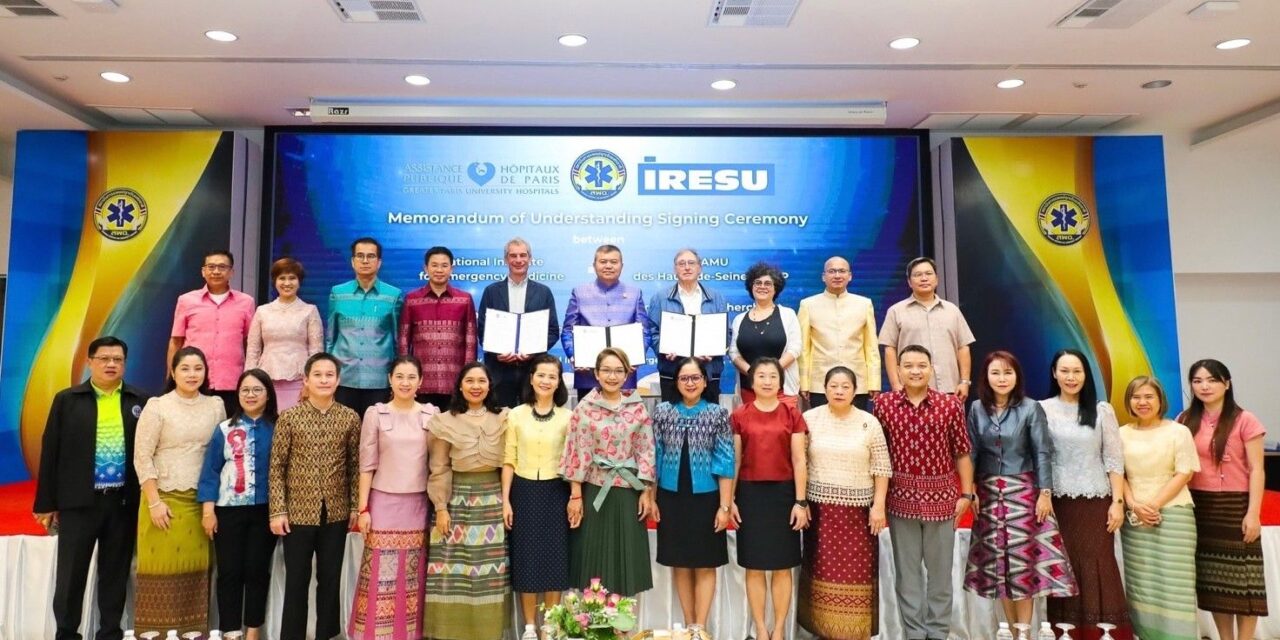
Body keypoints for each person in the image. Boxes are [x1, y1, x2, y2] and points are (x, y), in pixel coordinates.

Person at [33, 336, 151, 640]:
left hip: (122, 503)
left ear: (125, 363)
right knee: (71, 574)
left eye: (118, 359)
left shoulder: (140, 400)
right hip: (78, 502)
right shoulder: (68, 399)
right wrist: (46, 503)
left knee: (115, 573)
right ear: (90, 362)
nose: (111, 364)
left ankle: (110, 632)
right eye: (104, 359)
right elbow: (50, 452)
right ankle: (66, 632)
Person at [964, 350, 1076, 628]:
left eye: (1008, 372)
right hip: (989, 494)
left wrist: (1044, 493)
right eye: (996, 373)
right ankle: (1009, 631)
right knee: (998, 565)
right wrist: (971, 490)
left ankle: (1024, 631)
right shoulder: (977, 408)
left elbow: (1042, 452)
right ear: (986, 377)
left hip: (1024, 494)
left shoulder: (1030, 408)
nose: (1002, 379)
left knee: (1022, 564)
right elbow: (971, 452)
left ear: (1017, 376)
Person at [872, 344, 973, 640]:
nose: (915, 371)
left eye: (921, 365)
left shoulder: (949, 405)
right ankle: (915, 633)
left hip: (942, 503)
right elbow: (879, 455)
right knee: (908, 576)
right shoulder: (884, 405)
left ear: (931, 369)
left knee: (940, 576)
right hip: (900, 502)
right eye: (909, 366)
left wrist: (966, 495)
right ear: (899, 370)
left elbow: (962, 453)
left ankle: (938, 633)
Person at [133, 346, 227, 634]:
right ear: (173, 372)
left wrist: (210, 504)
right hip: (163, 500)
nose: (192, 374)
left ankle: (192, 632)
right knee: (160, 575)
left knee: (196, 574)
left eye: (198, 368)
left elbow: (219, 455)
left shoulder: (216, 405)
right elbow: (142, 456)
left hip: (201, 502)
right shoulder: (157, 406)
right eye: (185, 368)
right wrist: (153, 502)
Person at [268, 352, 362, 640]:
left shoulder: (349, 418)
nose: (324, 380)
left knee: (330, 579)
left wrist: (356, 507)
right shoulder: (289, 418)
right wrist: (277, 511)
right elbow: (277, 467)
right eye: (317, 375)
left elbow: (355, 467)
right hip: (297, 513)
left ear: (338, 380)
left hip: (335, 512)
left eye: (329, 375)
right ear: (306, 381)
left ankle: (327, 634)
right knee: (297, 579)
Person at [1040, 349, 1131, 640]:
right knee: (1063, 565)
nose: (1071, 377)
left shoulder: (1102, 410)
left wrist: (1117, 503)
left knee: (1098, 563)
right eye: (1064, 371)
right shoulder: (1041, 409)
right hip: (1058, 504)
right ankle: (1065, 633)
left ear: (1085, 374)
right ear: (1054, 373)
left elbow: (1114, 460)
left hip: (1096, 502)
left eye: (1076, 371)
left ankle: (1101, 633)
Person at [349, 355, 439, 640]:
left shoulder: (431, 414)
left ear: (421, 381)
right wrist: (363, 508)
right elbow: (366, 465)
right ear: (389, 379)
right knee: (380, 573)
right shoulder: (376, 413)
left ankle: (410, 634)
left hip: (417, 504)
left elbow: (437, 465)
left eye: (411, 377)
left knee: (412, 574)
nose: (405, 382)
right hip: (383, 502)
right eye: (399, 376)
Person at [798, 366, 891, 640]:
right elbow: (799, 462)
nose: (839, 391)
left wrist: (879, 506)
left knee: (856, 576)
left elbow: (882, 468)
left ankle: (854, 634)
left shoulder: (869, 422)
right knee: (820, 572)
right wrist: (800, 501)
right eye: (833, 385)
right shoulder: (809, 418)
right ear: (824, 389)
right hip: (820, 513)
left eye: (845, 386)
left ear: (855, 391)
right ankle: (821, 631)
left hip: (859, 515)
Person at [1179, 359, 1267, 640]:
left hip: (1236, 506)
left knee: (1245, 583)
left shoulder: (1245, 419)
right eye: (1197, 381)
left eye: (1212, 380)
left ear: (1226, 383)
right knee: (1216, 582)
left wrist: (1253, 513)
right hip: (1199, 507)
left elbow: (1257, 469)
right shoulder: (1183, 420)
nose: (1204, 386)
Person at [560, 347, 658, 596]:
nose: (612, 376)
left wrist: (647, 491)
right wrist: (575, 495)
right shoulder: (584, 407)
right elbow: (576, 450)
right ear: (596, 373)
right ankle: (594, 623)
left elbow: (646, 449)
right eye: (606, 370)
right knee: (593, 555)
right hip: (595, 489)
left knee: (625, 558)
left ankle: (622, 627)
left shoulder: (637, 408)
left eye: (618, 371)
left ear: (627, 374)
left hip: (628, 491)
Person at [426, 362, 512, 640]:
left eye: (481, 381)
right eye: (470, 381)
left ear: (489, 386)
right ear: (460, 386)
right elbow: (439, 468)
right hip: (456, 502)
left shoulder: (504, 419)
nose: (476, 386)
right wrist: (440, 507)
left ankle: (488, 633)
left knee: (490, 572)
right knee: (454, 571)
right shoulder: (444, 421)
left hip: (492, 500)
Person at [650, 358, 734, 630]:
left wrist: (724, 506)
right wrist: (650, 497)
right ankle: (688, 625)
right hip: (671, 497)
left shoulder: (716, 413)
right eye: (684, 378)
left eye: (695, 377)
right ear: (675, 382)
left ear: (705, 381)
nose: (690, 383)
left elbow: (725, 462)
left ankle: (700, 627)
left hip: (706, 498)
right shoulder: (662, 412)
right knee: (681, 562)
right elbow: (654, 458)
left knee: (705, 562)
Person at [196, 368, 279, 640]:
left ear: (268, 394)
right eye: (245, 390)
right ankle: (231, 631)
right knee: (229, 571)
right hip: (227, 510)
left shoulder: (278, 427)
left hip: (264, 510)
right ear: (237, 395)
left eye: (257, 390)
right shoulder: (224, 429)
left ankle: (253, 630)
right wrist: (208, 510)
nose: (251, 395)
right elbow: (210, 471)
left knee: (256, 570)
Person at [730, 356, 809, 640]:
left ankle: (779, 630)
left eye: (772, 376)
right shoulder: (740, 415)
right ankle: (761, 630)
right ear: (752, 381)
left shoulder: (792, 414)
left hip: (784, 496)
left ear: (780, 381)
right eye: (761, 376)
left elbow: (800, 460)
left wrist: (800, 502)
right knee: (754, 566)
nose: (766, 381)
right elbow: (735, 461)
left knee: (781, 567)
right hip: (750, 496)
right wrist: (731, 501)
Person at [1119, 375, 1199, 640]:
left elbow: (1184, 472)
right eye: (1136, 397)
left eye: (1148, 396)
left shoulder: (1178, 430)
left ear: (1160, 400)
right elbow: (1119, 475)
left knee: (1175, 584)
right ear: (1129, 401)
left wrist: (1153, 504)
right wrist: (1133, 504)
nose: (1142, 402)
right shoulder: (1122, 433)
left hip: (1174, 514)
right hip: (1135, 519)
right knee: (1143, 582)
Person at [501, 355, 573, 630]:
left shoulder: (569, 417)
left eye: (552, 376)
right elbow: (509, 459)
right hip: (524, 490)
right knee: (526, 558)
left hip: (557, 491)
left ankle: (550, 626)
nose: (546, 381)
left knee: (556, 557)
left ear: (558, 382)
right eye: (540, 375)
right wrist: (506, 500)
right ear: (531, 378)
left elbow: (573, 461)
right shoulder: (515, 414)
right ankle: (530, 626)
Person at [477, 238, 560, 408]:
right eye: (513, 255)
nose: (518, 260)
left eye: (523, 255)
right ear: (506, 260)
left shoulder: (543, 292)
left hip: (532, 371)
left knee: (531, 421)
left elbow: (553, 331)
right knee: (499, 420)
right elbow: (482, 330)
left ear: (530, 258)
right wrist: (496, 352)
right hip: (499, 371)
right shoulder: (491, 291)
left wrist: (532, 351)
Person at [169, 249, 255, 411]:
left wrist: (250, 377)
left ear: (232, 272)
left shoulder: (246, 302)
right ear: (203, 271)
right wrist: (172, 376)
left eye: (222, 267)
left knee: (229, 432)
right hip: (194, 382)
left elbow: (250, 343)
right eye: (211, 267)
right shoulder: (186, 300)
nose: (216, 271)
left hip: (232, 382)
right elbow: (176, 341)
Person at [328, 237, 404, 420]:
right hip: (344, 378)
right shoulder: (338, 293)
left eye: (371, 256)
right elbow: (331, 338)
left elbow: (397, 342)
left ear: (379, 262)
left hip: (378, 381)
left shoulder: (393, 295)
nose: (365, 261)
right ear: (352, 261)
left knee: (375, 437)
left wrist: (396, 380)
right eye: (360, 256)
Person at [879, 257, 975, 399]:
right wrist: (895, 384)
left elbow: (963, 347)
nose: (924, 278)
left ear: (936, 279)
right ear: (909, 282)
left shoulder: (952, 310)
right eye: (918, 275)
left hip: (950, 389)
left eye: (928, 274)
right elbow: (889, 349)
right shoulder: (896, 311)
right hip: (911, 390)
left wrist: (965, 382)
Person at [562, 244, 651, 396]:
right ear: (594, 265)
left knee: (624, 419)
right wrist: (574, 355)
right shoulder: (579, 293)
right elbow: (567, 331)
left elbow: (644, 332)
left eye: (614, 262)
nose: (608, 266)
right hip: (588, 374)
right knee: (588, 419)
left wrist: (636, 357)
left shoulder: (634, 293)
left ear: (621, 266)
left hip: (624, 375)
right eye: (603, 261)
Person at [399, 246, 478, 409]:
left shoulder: (464, 299)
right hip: (421, 384)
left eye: (444, 265)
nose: (439, 270)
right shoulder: (412, 300)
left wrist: (467, 379)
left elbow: (470, 341)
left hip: (454, 383)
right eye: (434, 265)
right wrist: (405, 377)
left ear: (452, 268)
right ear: (426, 268)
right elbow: (403, 341)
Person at [647, 249, 729, 403]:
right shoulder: (660, 298)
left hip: (708, 372)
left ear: (700, 268)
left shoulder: (716, 297)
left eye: (691, 263)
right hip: (672, 373)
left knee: (708, 422)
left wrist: (713, 351)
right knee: (673, 422)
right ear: (675, 269)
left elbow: (726, 333)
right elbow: (653, 332)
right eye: (681, 264)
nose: (687, 267)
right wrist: (664, 350)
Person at [797, 256, 880, 410]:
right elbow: (804, 349)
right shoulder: (808, 305)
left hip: (857, 382)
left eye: (842, 271)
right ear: (823, 276)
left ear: (850, 276)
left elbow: (871, 347)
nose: (837, 275)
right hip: (820, 383)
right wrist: (804, 382)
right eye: (832, 271)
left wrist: (874, 381)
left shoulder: (864, 304)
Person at [246, 257, 323, 411]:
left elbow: (316, 352)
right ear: (275, 281)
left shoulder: (310, 310)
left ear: (299, 281)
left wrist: (311, 384)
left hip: (300, 383)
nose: (287, 283)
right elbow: (253, 350)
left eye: (292, 278)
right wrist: (249, 383)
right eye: (282, 278)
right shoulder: (262, 311)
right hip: (266, 381)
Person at [728, 261, 801, 405]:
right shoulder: (739, 319)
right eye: (757, 283)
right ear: (751, 287)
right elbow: (733, 353)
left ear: (776, 289)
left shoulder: (788, 315)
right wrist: (753, 374)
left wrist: (772, 375)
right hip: (749, 391)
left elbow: (795, 348)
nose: (762, 287)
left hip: (782, 391)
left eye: (768, 283)